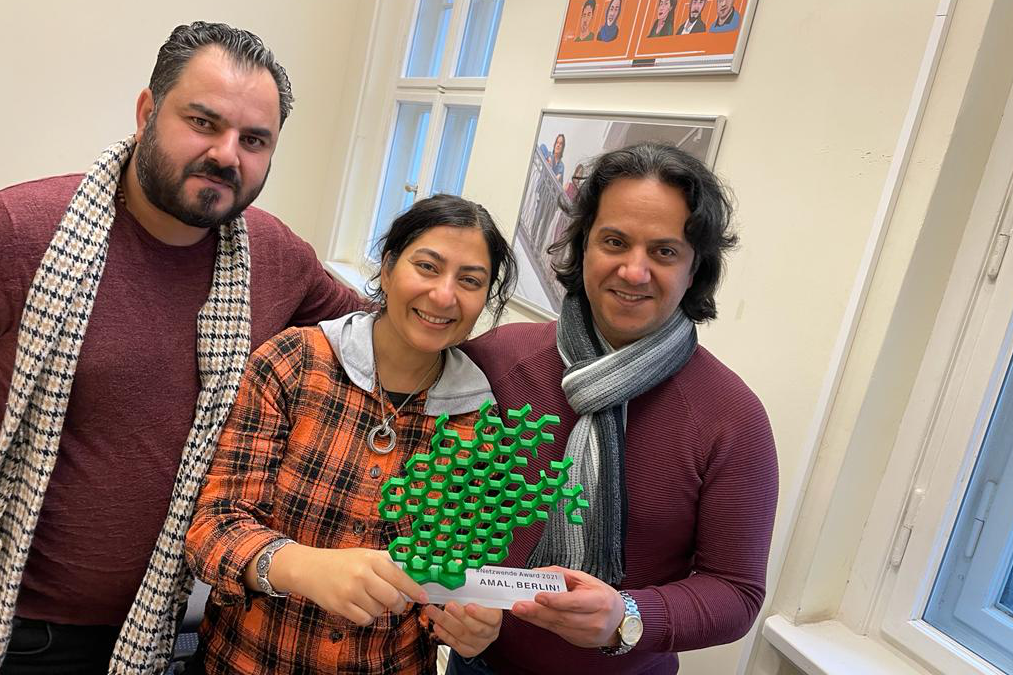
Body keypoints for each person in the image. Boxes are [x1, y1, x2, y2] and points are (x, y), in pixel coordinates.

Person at [0, 21, 361, 674]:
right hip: (25, 631)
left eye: (254, 140)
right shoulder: (22, 230)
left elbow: (380, 345)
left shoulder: (276, 255)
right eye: (203, 122)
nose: (227, 154)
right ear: (146, 112)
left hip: (174, 631)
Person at [448, 142, 778, 674]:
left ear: (696, 269)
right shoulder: (498, 360)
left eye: (664, 252)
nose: (633, 271)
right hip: (480, 665)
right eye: (615, 242)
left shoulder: (730, 418)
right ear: (581, 249)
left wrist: (628, 616)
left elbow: (737, 593)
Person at [185, 194, 515, 674]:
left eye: (470, 281)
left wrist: (468, 623)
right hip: (244, 660)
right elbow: (211, 529)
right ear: (386, 268)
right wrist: (302, 567)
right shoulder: (294, 365)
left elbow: (445, 581)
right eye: (427, 266)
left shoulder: (478, 422)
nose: (444, 296)